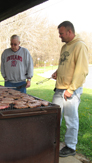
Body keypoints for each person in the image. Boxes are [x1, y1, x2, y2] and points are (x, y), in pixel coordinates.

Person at [51, 21, 88, 157]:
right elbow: (65, 65)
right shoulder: (65, 47)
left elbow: (82, 70)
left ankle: (71, 146)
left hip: (70, 90)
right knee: (55, 117)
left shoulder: (80, 46)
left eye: (61, 33)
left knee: (71, 119)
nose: (59, 36)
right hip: (59, 89)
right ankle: (52, 142)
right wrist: (57, 72)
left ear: (69, 32)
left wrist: (71, 89)